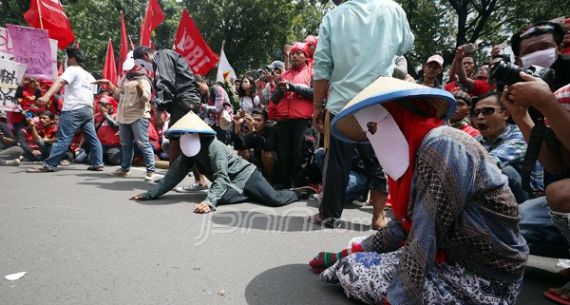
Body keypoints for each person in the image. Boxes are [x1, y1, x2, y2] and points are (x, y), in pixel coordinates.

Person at [310, 76, 528, 305]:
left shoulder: (442, 146)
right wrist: (345, 253)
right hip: (452, 254)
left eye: (373, 127)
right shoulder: (420, 149)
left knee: (354, 271)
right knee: (355, 252)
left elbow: (425, 231)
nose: (373, 138)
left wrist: (396, 300)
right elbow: (404, 226)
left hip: (483, 276)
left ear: (397, 116)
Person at [311, 0, 414, 227]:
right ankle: (379, 216)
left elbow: (322, 66)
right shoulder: (394, 9)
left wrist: (317, 106)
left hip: (342, 104)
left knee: (336, 163)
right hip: (380, 100)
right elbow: (405, 46)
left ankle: (329, 215)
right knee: (381, 161)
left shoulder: (334, 17)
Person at [130, 111, 316, 213]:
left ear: (199, 134)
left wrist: (210, 202)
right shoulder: (189, 150)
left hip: (246, 174)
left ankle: (297, 193)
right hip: (231, 181)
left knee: (273, 200)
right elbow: (173, 175)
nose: (185, 137)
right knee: (221, 196)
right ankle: (250, 194)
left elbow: (220, 176)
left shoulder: (214, 147)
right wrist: (150, 194)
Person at [502, 74, 570, 305]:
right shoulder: (564, 96)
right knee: (508, 226)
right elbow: (556, 165)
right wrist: (521, 116)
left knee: (560, 193)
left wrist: (547, 103)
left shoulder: (552, 99)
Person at [27, 47, 103, 173]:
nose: (67, 61)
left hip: (73, 110)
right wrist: (91, 114)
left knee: (63, 138)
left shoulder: (72, 70)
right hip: (87, 110)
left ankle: (49, 164)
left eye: (67, 58)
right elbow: (93, 98)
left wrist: (46, 96)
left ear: (72, 59)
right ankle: (98, 163)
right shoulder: (90, 76)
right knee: (93, 138)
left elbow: (60, 82)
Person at [132, 46, 202, 165]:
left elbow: (165, 82)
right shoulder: (167, 56)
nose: (146, 68)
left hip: (183, 100)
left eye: (143, 65)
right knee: (183, 139)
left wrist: (160, 110)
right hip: (185, 101)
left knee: (177, 138)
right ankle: (195, 179)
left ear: (145, 55)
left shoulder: (161, 56)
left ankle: (174, 179)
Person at [471, 92, 544, 203]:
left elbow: (491, 162)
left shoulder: (521, 135)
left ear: (505, 114)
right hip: (494, 196)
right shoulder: (476, 140)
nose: (480, 117)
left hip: (532, 198)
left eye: (487, 111)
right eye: (476, 113)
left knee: (504, 171)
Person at [95, 60, 157, 181]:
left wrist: (138, 86)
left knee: (143, 143)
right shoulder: (125, 79)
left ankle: (151, 171)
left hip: (138, 116)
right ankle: (124, 169)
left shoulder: (143, 80)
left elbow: (145, 98)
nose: (128, 70)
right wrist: (109, 84)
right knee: (125, 144)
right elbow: (119, 95)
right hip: (123, 116)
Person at [271, 42, 314, 188]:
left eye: (298, 53)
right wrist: (280, 89)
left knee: (300, 152)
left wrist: (293, 87)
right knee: (283, 152)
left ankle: (298, 184)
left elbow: (316, 94)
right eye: (292, 54)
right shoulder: (284, 74)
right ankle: (284, 182)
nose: (294, 56)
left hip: (302, 120)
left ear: (305, 56)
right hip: (284, 119)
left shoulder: (311, 72)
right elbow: (274, 99)